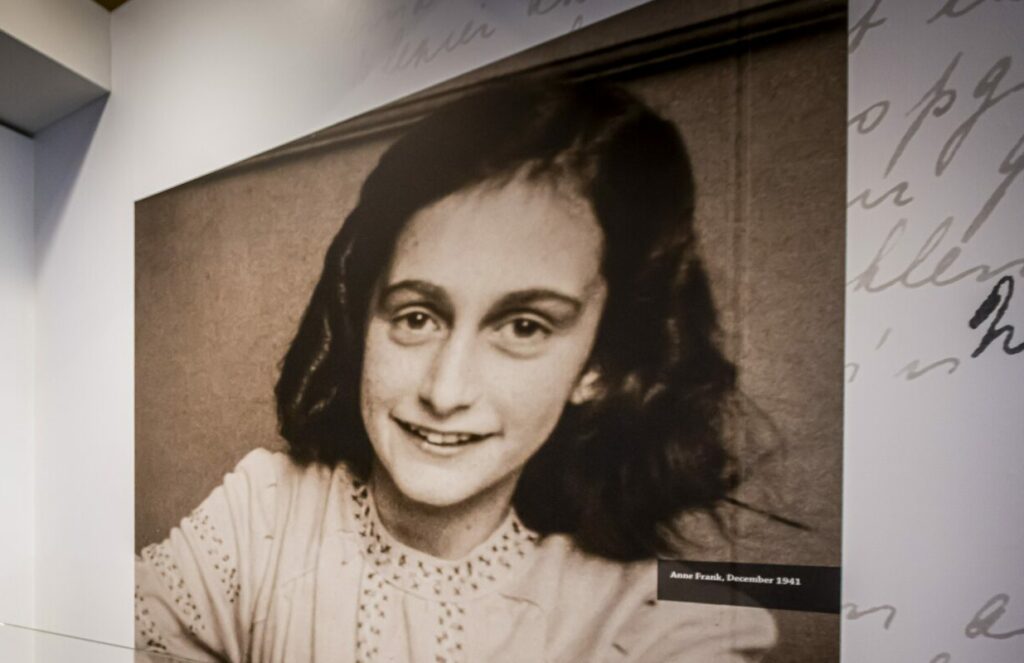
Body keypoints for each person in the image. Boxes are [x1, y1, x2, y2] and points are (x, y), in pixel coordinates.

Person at [135, 80, 776, 662]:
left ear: (601, 364)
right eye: (417, 317)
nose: (445, 391)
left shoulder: (659, 623)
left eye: (523, 327)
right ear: (363, 319)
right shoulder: (264, 513)